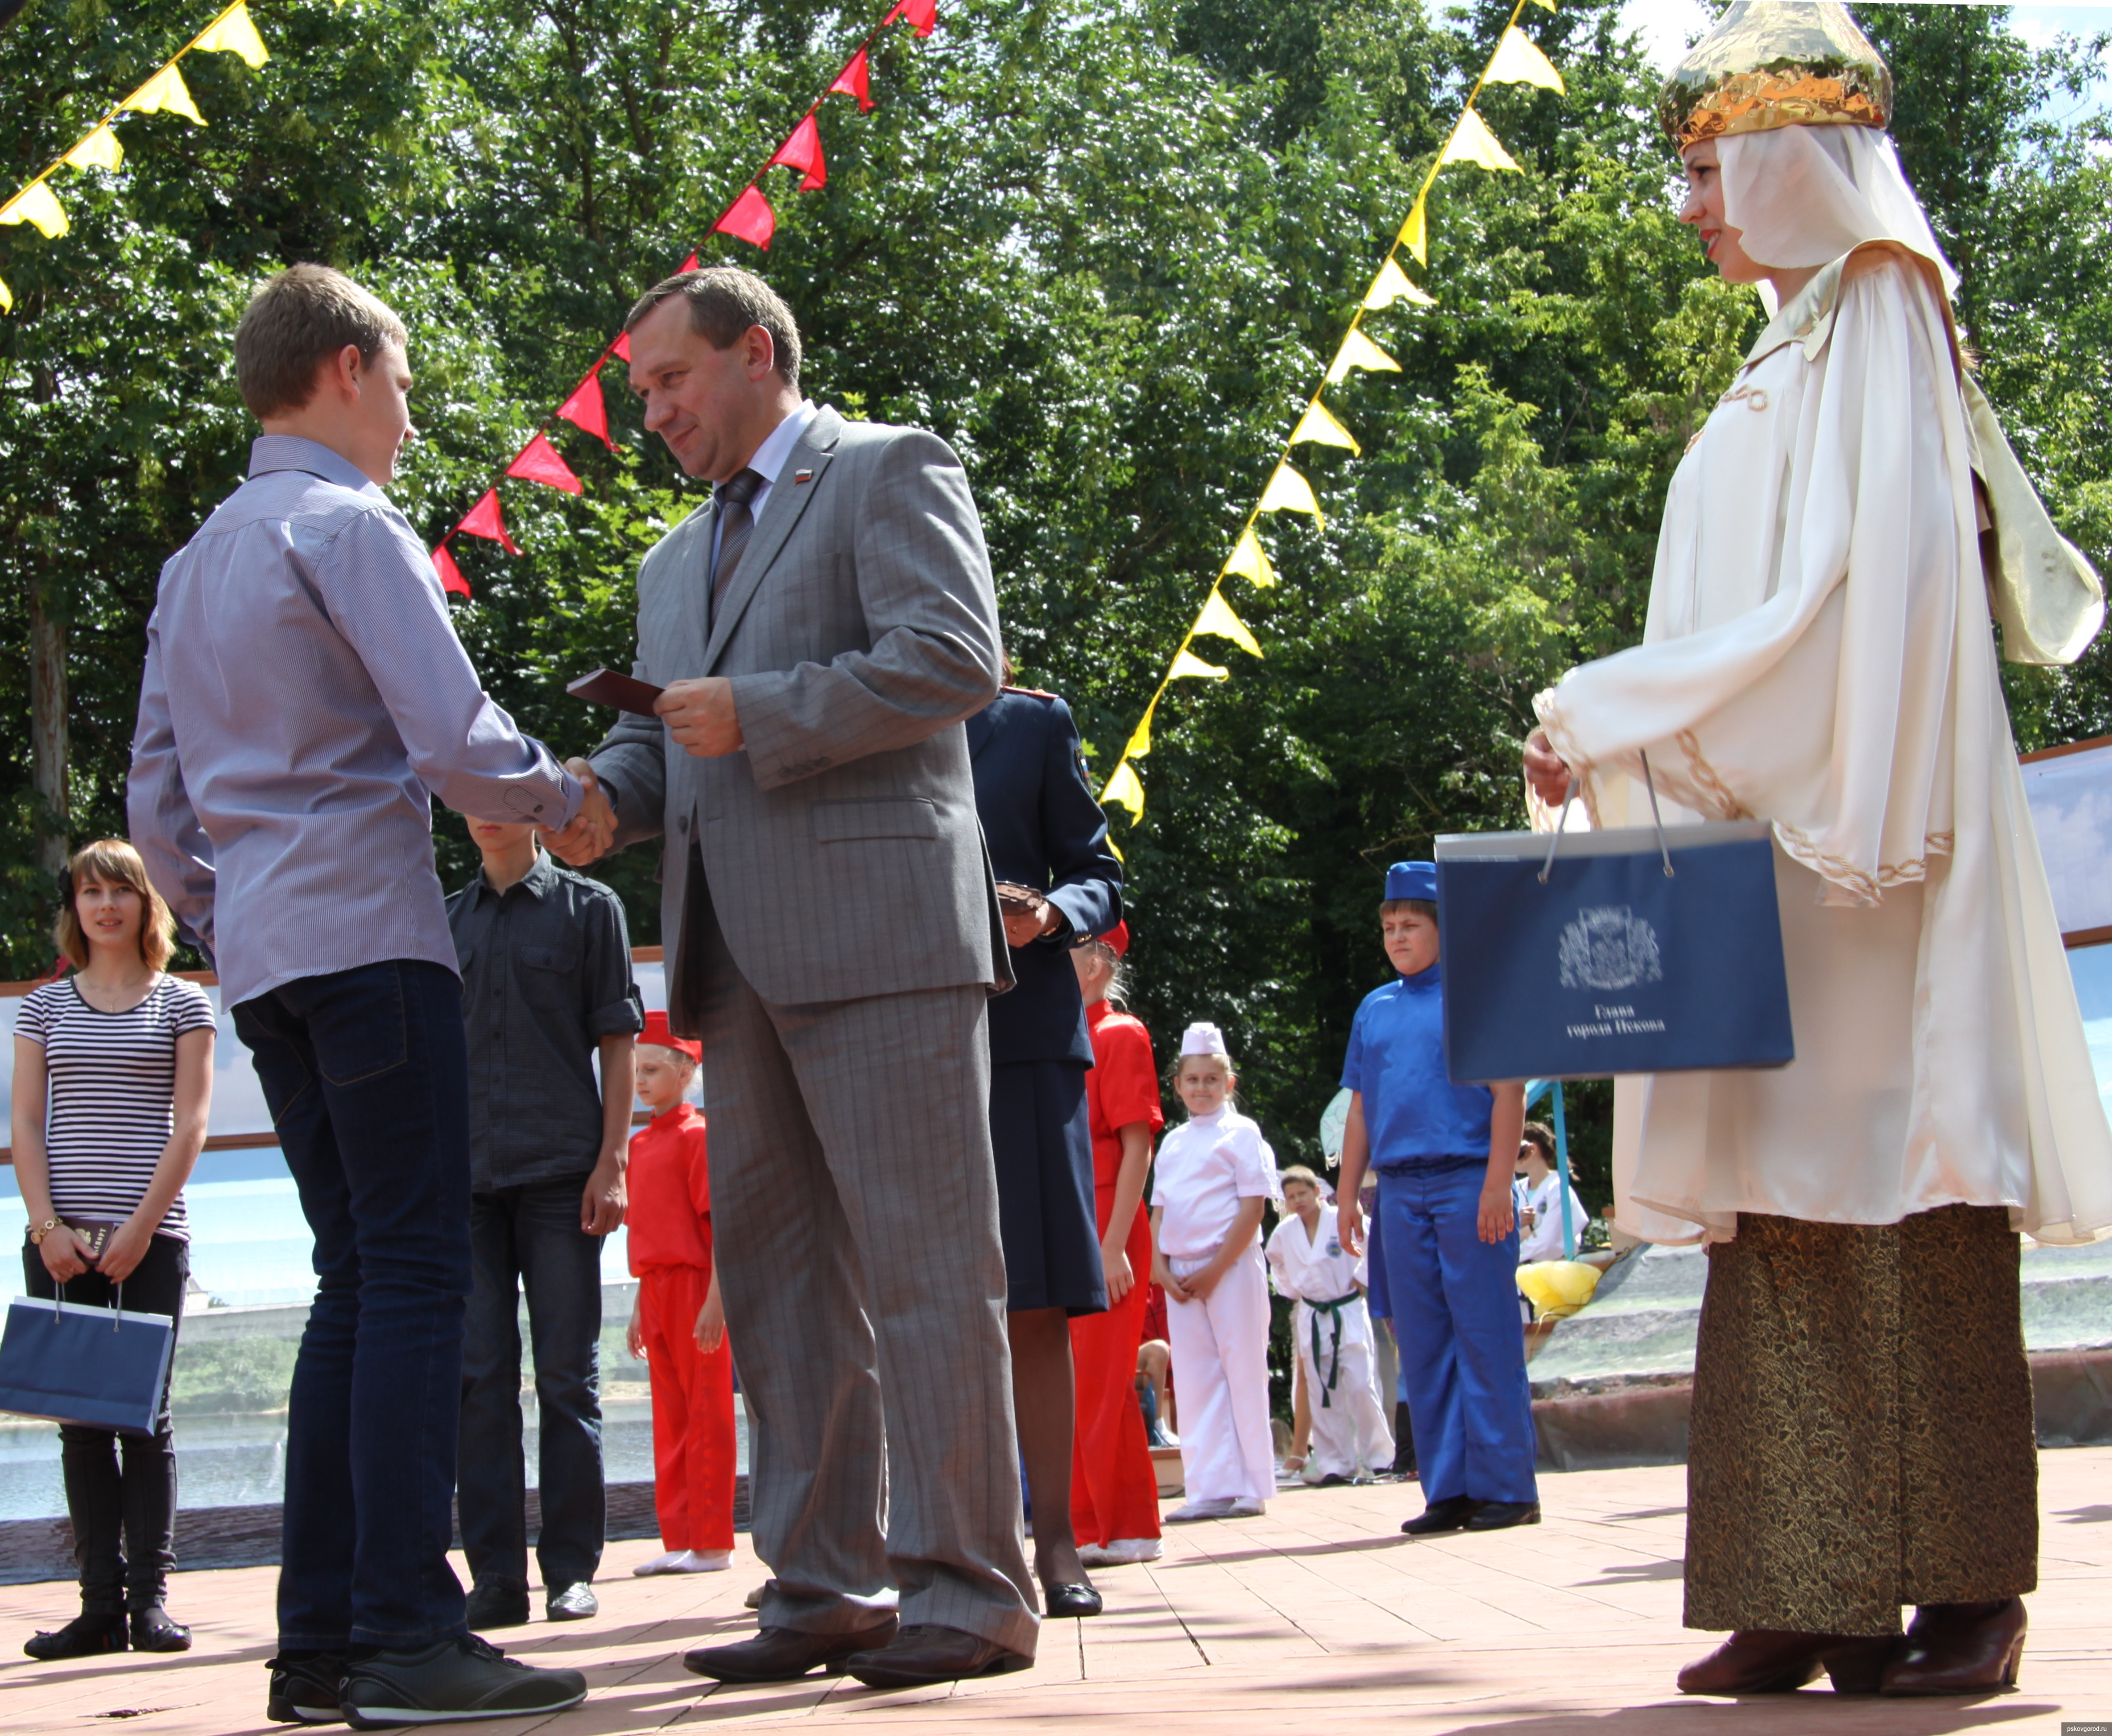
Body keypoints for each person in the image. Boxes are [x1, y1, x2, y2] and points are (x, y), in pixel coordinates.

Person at [1522, 0, 2112, 1697]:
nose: (1691, 208)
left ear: (1792, 162)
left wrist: (1632, 712)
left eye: (1707, 172)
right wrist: (1629, 733)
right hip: (1776, 852)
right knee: (1785, 1215)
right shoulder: (1796, 341)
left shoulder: (1882, 319)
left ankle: (1963, 1592)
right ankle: (1814, 1580)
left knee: (1910, 1190)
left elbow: (1860, 608)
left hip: (1870, 856)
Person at [541, 265, 1034, 1690]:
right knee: (781, 1293)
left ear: (754, 354)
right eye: (637, 389)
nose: (650, 412)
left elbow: (954, 661)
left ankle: (971, 1588)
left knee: (930, 1272)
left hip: (883, 938)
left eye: (669, 381)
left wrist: (753, 713)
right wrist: (594, 801)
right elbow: (663, 749)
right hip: (730, 958)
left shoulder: (887, 468)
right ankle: (818, 1585)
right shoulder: (665, 559)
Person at [127, 263, 589, 1727]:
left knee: (356, 1281)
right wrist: (571, 795)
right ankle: (403, 1631)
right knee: (414, 1279)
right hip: (374, 943)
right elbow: (454, 742)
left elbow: (154, 812)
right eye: (397, 376)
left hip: (266, 961)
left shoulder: (197, 558)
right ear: (339, 369)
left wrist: (227, 903)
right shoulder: (347, 526)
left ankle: (319, 1641)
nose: (408, 406)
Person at [11, 841, 214, 1661]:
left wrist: (139, 1228)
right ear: (77, 906)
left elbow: (192, 1124)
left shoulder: (181, 1005)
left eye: (120, 891)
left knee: (146, 1421)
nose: (104, 906)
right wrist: (45, 1226)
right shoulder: (43, 1008)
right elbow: (24, 1123)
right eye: (90, 892)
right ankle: (98, 1608)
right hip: (57, 1243)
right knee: (80, 1424)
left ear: (144, 905)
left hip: (149, 1241)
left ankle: (150, 1604)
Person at [447, 815, 642, 1628]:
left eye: (504, 794)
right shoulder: (439, 917)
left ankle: (570, 1569)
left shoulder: (590, 907)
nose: (487, 810)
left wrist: (614, 1162)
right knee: (479, 1382)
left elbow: (618, 1041)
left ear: (535, 809)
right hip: (462, 1182)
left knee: (567, 1379)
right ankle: (494, 1577)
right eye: (471, 796)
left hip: (564, 1174)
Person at [968, 679, 1122, 1618]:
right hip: (890, 1044)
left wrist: (1051, 914)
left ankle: (1055, 1541)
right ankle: (920, 1545)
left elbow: (1098, 872)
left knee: (1031, 1303)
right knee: (900, 1307)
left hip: (1021, 1038)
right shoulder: (852, 717)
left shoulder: (1030, 722)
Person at [1335, 863, 1536, 1536]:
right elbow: (1358, 1110)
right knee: (1421, 1342)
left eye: (1411, 925)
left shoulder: (1479, 995)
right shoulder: (1374, 1008)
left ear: (1443, 929)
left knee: (1484, 1333)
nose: (1397, 937)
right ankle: (1446, 1487)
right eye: (1389, 927)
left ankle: (1506, 1485)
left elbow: (1508, 1093)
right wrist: (1345, 1197)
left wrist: (1494, 1185)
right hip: (1397, 1189)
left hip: (1465, 1178)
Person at [1148, 1023, 1280, 1522]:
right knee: (1197, 1378)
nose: (1200, 1088)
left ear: (1228, 1084)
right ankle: (1207, 1486)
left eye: (1211, 1079)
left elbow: (1252, 1209)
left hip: (1229, 1267)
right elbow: (1158, 1212)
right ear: (1178, 1085)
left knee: (1242, 1369)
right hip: (1182, 1278)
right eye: (1192, 1080)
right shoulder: (1174, 1143)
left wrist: (1214, 1269)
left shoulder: (1242, 1133)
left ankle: (1251, 1484)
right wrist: (1160, 1268)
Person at [622, 1014, 738, 1579]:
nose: (640, 1080)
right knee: (669, 1416)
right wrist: (637, 1309)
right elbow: (645, 1229)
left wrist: (716, 1300)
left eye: (651, 1069)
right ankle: (680, 1534)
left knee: (706, 1411)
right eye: (634, 1071)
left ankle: (712, 1539)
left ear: (686, 1071)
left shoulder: (700, 1135)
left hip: (695, 1287)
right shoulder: (639, 1143)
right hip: (655, 1290)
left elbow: (719, 1226)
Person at [1067, 923, 1164, 1568]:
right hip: (1072, 1219)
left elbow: (1138, 1142)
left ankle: (1124, 1523)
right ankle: (1089, 1524)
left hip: (1107, 1222)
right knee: (1073, 1385)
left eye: (1067, 947)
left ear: (1100, 962)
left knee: (1103, 1381)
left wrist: (1111, 1245)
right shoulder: (1060, 1038)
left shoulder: (1118, 1034)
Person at [1267, 1167, 1392, 1486]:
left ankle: (1380, 1457)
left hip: (1346, 1307)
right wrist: (1291, 1288)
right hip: (1312, 1312)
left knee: (1361, 1384)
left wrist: (1361, 1277)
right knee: (1323, 1390)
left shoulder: (1342, 1217)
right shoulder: (1284, 1232)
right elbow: (1275, 1261)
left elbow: (1376, 1243)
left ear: (1317, 1193)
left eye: (1302, 1194)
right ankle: (1334, 1462)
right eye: (1291, 1196)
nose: (1297, 1201)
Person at [1514, 1123, 1590, 1267]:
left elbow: (1548, 1243)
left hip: (1554, 1275)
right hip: (1519, 1274)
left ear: (1532, 1149)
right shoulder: (1517, 1188)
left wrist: (1510, 1254)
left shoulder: (1559, 1190)